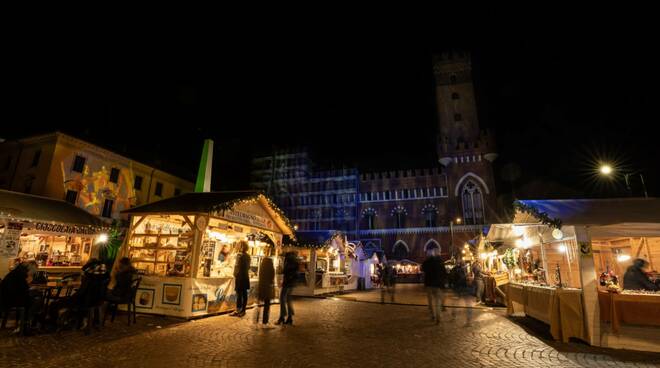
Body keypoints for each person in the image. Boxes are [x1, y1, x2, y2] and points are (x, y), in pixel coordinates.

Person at [0, 261, 41, 333]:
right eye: (33, 272)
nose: (31, 274)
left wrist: (28, 288)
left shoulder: (16, 272)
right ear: (31, 268)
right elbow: (24, 290)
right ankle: (25, 324)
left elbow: (21, 288)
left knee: (33, 298)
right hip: (11, 300)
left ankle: (26, 323)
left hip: (5, 298)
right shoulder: (21, 274)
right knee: (35, 300)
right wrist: (31, 288)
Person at [422, 248, 446, 324]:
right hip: (438, 285)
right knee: (438, 301)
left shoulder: (426, 262)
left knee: (430, 302)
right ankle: (438, 316)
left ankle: (433, 315)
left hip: (429, 284)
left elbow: (422, 269)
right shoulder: (440, 261)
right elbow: (444, 273)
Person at [276, 251, 298, 325]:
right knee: (288, 299)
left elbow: (286, 271)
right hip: (292, 283)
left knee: (282, 299)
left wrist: (282, 272)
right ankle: (290, 318)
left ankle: (282, 317)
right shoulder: (295, 260)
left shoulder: (288, 260)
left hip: (287, 283)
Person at [231, 241, 251, 317]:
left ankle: (238, 310)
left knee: (239, 294)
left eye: (238, 246)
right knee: (244, 293)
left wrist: (235, 274)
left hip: (240, 277)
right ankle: (243, 310)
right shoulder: (248, 256)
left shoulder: (239, 255)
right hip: (245, 276)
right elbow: (248, 267)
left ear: (240, 247)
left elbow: (236, 266)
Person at [255, 256, 275, 325]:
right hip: (267, 288)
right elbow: (272, 279)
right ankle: (265, 321)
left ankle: (256, 320)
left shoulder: (262, 267)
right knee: (267, 305)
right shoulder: (271, 268)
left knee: (259, 304)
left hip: (261, 287)